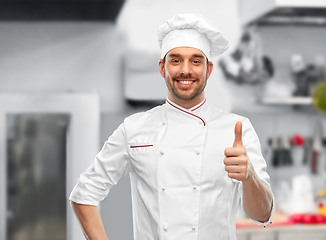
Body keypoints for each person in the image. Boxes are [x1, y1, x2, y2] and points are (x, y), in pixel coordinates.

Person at [70, 13, 275, 240]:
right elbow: (83, 194)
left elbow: (263, 215)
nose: (185, 70)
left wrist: (249, 177)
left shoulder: (237, 128)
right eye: (175, 60)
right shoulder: (134, 128)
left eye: (196, 61)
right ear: (162, 68)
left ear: (208, 70)